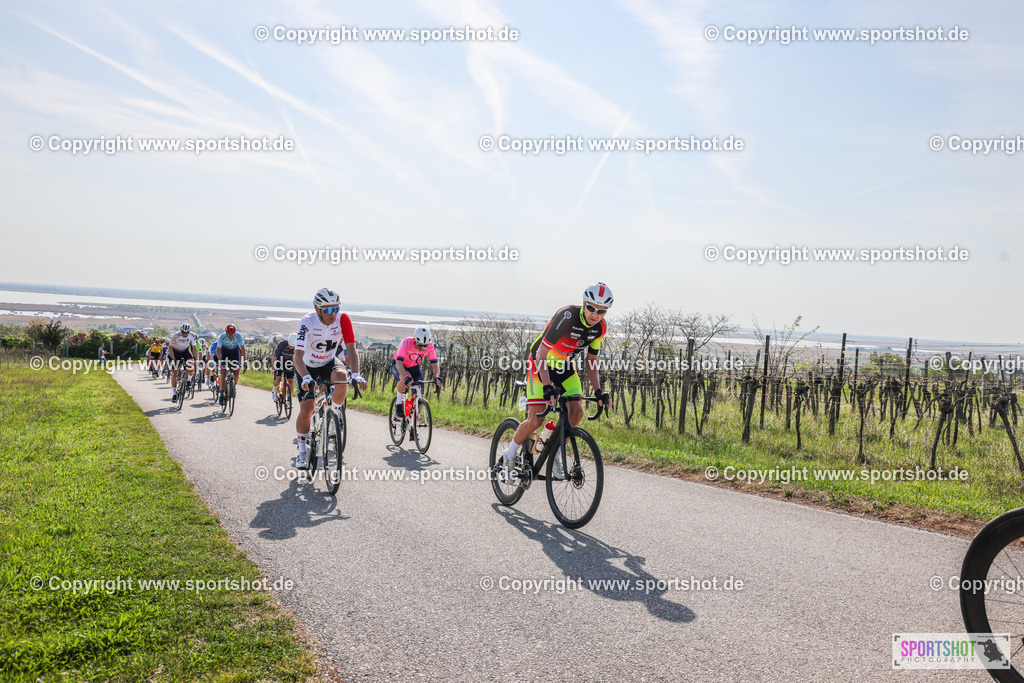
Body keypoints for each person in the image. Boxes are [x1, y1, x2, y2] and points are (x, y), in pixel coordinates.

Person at [501, 282, 614, 483]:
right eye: (591, 308)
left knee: (577, 412)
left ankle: (556, 455)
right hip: (540, 363)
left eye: (601, 311)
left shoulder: (600, 328)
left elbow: (591, 361)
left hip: (564, 367)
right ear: (583, 304)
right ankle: (509, 456)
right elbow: (541, 354)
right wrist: (546, 386)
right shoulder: (567, 317)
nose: (595, 314)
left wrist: (598, 391)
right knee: (536, 419)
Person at [293, 288, 368, 468]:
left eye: (335, 308)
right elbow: (297, 356)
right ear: (317, 309)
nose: (332, 314)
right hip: (306, 365)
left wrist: (356, 374)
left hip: (328, 362)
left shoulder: (343, 319)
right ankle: (302, 450)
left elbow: (351, 348)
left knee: (342, 376)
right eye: (327, 310)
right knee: (307, 408)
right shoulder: (307, 322)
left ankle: (332, 416)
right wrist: (304, 377)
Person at [390, 327, 443, 422]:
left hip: (414, 368)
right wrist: (405, 377)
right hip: (399, 365)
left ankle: (414, 425)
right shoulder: (406, 342)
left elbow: (435, 365)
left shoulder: (430, 346)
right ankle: (398, 404)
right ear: (415, 340)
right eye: (420, 345)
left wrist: (437, 376)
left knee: (419, 396)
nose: (422, 348)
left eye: (424, 346)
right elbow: (398, 363)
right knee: (405, 377)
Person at [216, 324, 246, 406]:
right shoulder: (222, 337)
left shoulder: (239, 336)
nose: (230, 336)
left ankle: (233, 386)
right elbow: (218, 350)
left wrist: (245, 361)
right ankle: (221, 394)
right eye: (229, 334)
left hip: (235, 353)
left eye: (232, 334)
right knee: (224, 372)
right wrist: (220, 360)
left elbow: (243, 349)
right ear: (226, 332)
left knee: (236, 371)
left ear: (235, 333)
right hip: (225, 352)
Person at [168, 324, 199, 403]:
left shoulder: (192, 336)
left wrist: (197, 359)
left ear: (189, 331)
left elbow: (194, 348)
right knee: (175, 372)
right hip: (175, 352)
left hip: (185, 351)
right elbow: (170, 348)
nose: (185, 334)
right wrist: (174, 359)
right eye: (183, 332)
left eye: (187, 332)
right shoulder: (175, 336)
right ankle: (174, 394)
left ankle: (188, 381)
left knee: (191, 365)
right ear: (181, 330)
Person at [272, 333, 298, 404]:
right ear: (288, 342)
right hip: (279, 361)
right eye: (290, 346)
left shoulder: (297, 346)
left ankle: (289, 398)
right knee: (278, 378)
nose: (291, 348)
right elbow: (274, 358)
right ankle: (274, 390)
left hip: (289, 362)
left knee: (291, 381)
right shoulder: (282, 344)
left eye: (293, 347)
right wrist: (274, 369)